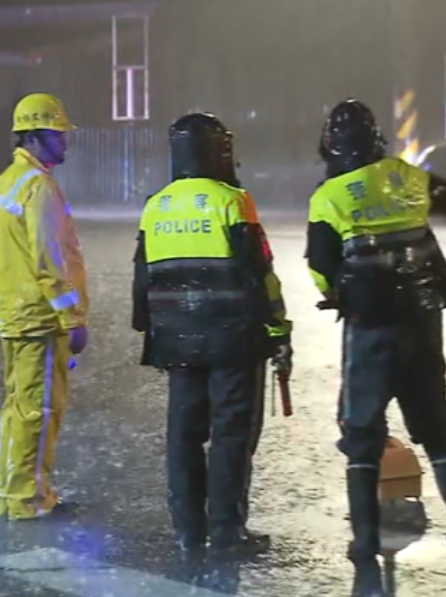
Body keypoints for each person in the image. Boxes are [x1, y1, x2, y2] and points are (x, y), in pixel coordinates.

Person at [306, 99, 446, 597]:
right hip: (424, 317)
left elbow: (321, 265)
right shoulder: (407, 176)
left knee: (363, 432)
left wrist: (336, 294)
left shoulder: (329, 196)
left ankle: (365, 543)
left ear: (332, 145)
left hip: (371, 326)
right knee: (436, 426)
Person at [131, 113, 293, 584]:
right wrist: (278, 330)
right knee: (230, 435)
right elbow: (259, 274)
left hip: (176, 339)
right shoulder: (234, 202)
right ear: (219, 151)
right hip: (233, 340)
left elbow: (143, 279)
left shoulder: (155, 206)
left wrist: (151, 331)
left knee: (183, 433)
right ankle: (226, 532)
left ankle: (187, 530)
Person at [0, 92, 89, 521]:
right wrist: (73, 316)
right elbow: (49, 258)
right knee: (41, 412)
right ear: (33, 135)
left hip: (15, 314)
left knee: (19, 410)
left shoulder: (8, 181)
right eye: (56, 133)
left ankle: (10, 494)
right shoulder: (39, 188)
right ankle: (31, 499)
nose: (64, 141)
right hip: (41, 318)